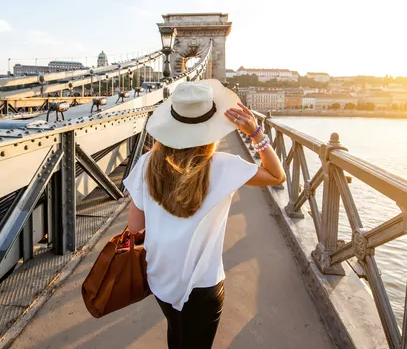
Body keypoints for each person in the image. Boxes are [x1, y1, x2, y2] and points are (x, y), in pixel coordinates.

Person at [122, 79, 285, 349]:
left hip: (159, 277)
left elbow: (134, 227)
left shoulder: (145, 164)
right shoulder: (224, 167)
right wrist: (255, 133)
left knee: (176, 333)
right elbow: (276, 175)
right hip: (202, 285)